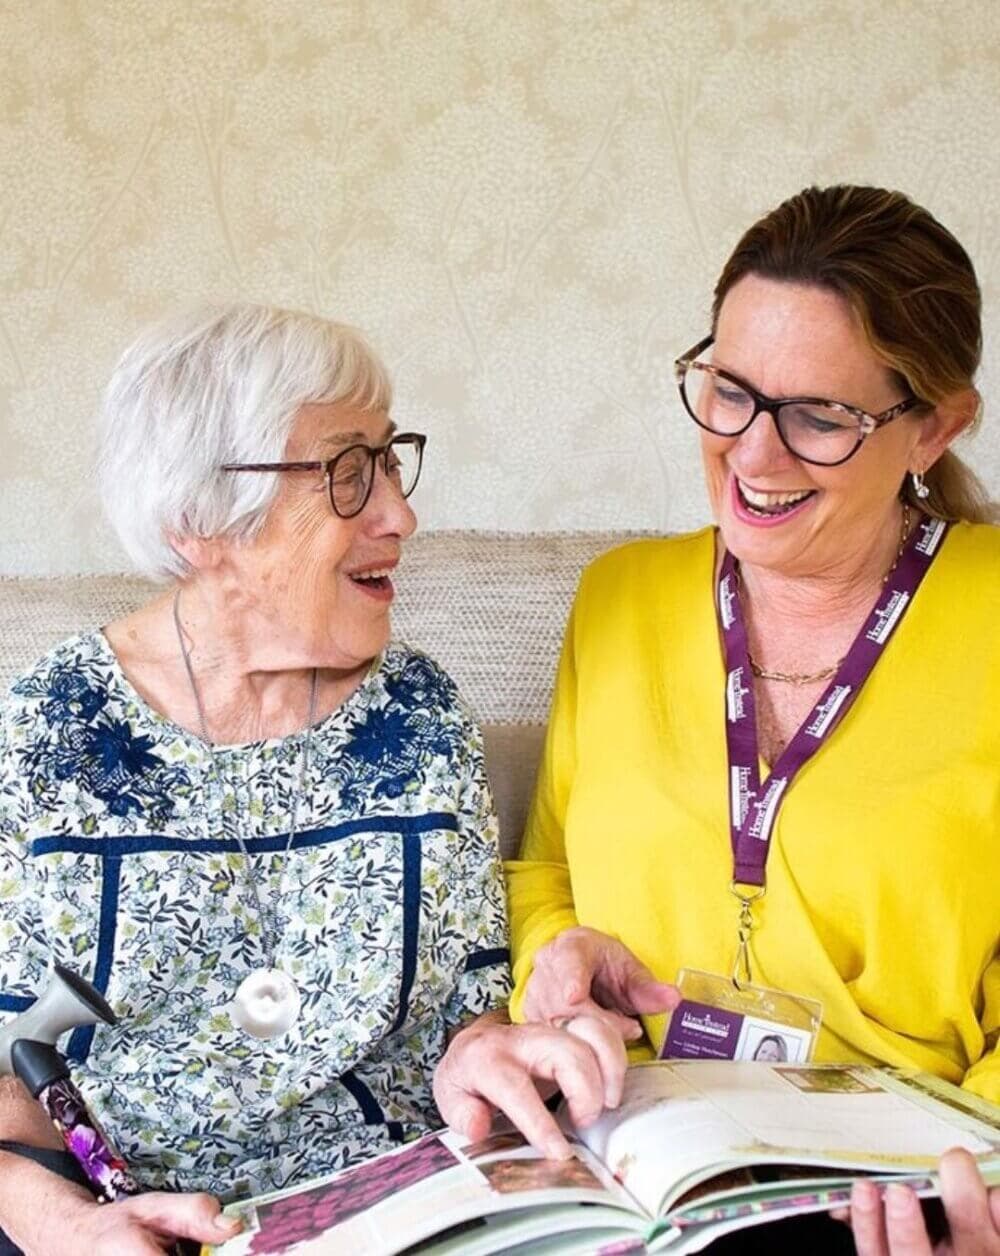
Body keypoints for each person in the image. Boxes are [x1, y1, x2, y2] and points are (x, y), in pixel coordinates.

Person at [0, 304, 613, 1255]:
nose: (400, 514)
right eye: (346, 472)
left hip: (399, 1210)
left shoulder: (412, 712)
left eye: (389, 459)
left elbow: (466, 1013)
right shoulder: (49, 731)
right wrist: (61, 1225)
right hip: (119, 1216)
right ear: (202, 520)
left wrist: (489, 1050)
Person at [507, 186, 1000, 1254]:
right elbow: (543, 871)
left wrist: (983, 1185)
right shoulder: (619, 596)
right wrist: (557, 960)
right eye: (730, 391)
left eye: (820, 416)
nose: (752, 455)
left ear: (936, 424)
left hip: (900, 1183)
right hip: (635, 1158)